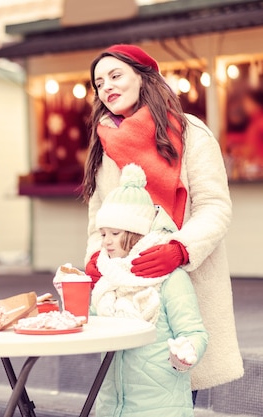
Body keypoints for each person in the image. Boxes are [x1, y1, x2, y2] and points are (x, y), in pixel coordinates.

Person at [82, 44, 243, 393]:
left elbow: (215, 206)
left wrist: (180, 249)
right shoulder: (104, 145)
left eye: (115, 75)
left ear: (143, 78)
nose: (106, 86)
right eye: (98, 82)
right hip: (126, 291)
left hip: (182, 284)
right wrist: (95, 257)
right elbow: (98, 218)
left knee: (177, 385)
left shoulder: (191, 133)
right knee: (129, 391)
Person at [91, 163, 208, 416]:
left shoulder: (170, 279)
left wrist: (186, 354)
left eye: (114, 232)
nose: (106, 241)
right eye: (102, 234)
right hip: (111, 404)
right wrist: (69, 298)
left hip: (159, 406)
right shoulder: (108, 278)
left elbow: (194, 332)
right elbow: (89, 325)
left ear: (135, 233)